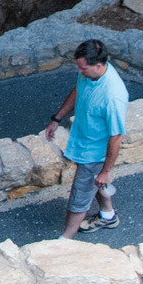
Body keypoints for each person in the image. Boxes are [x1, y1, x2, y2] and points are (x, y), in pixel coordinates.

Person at [43, 39, 127, 238]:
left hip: (94, 152)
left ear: (98, 65)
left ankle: (65, 239)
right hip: (83, 140)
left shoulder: (113, 96)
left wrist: (106, 171)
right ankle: (108, 216)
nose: (79, 72)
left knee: (79, 195)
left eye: (83, 68)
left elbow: (116, 137)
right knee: (95, 183)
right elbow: (78, 91)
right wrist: (57, 118)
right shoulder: (89, 75)